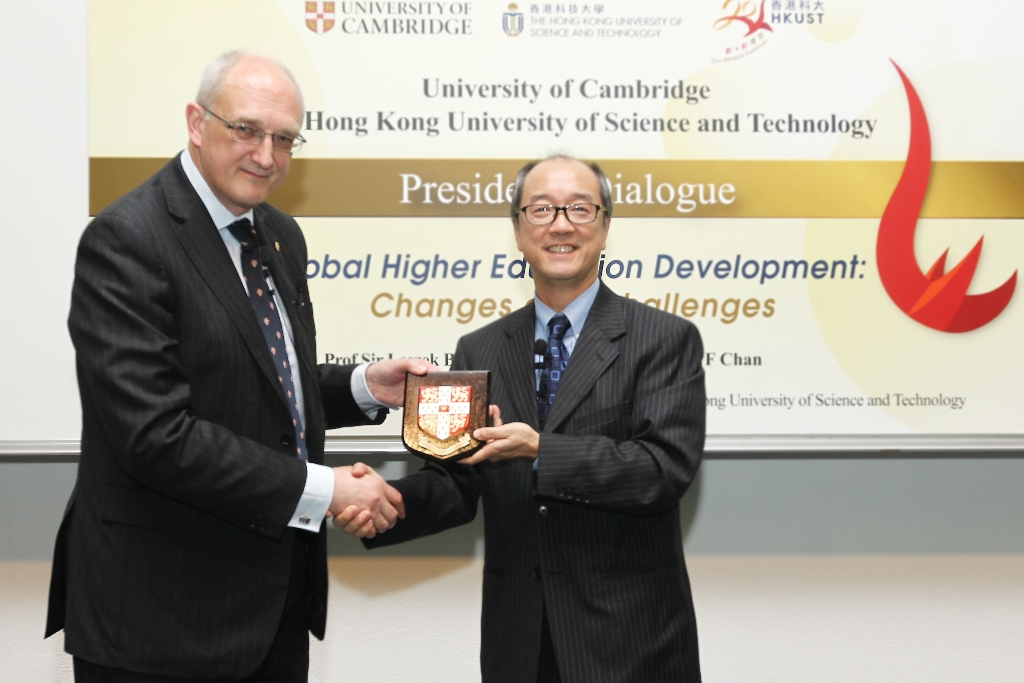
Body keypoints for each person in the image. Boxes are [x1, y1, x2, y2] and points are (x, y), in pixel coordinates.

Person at [44, 51, 428, 682]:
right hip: (158, 619)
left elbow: (263, 387)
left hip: (271, 606)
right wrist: (328, 489)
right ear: (196, 122)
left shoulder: (278, 234)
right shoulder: (128, 239)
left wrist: (364, 386)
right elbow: (154, 436)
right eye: (246, 129)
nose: (267, 155)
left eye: (284, 139)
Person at [361, 156, 707, 682]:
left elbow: (662, 472)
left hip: (630, 641)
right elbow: (458, 480)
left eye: (581, 209)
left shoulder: (664, 339)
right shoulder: (479, 347)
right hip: (519, 641)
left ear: (606, 228)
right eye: (541, 209)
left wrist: (540, 449)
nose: (561, 224)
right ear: (519, 233)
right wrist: (381, 505)